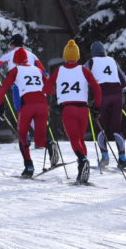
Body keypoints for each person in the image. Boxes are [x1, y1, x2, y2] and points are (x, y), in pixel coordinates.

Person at [43, 40, 102, 184]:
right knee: (81, 139)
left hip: (68, 109)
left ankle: (82, 161)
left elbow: (46, 89)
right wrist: (96, 107)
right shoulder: (84, 70)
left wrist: (55, 91)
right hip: (83, 109)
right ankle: (83, 170)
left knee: (74, 140)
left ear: (65, 56)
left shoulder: (59, 70)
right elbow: (97, 89)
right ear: (77, 56)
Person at [0, 48, 58, 177]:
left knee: (23, 137)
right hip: (42, 104)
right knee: (40, 139)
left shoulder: (15, 70)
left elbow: (2, 89)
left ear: (16, 61)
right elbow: (52, 90)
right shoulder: (37, 70)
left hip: (27, 105)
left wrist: (0, 107)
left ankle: (29, 167)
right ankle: (50, 144)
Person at [84, 41, 126, 169]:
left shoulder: (91, 62)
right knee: (117, 128)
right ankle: (122, 158)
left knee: (100, 126)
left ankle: (105, 157)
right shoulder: (112, 61)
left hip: (101, 95)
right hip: (117, 96)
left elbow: (81, 76)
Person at [0, 34, 46, 118]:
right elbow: (43, 72)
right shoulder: (32, 55)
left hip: (19, 87)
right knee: (35, 116)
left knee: (22, 115)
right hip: (35, 89)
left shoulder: (8, 55)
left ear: (12, 44)